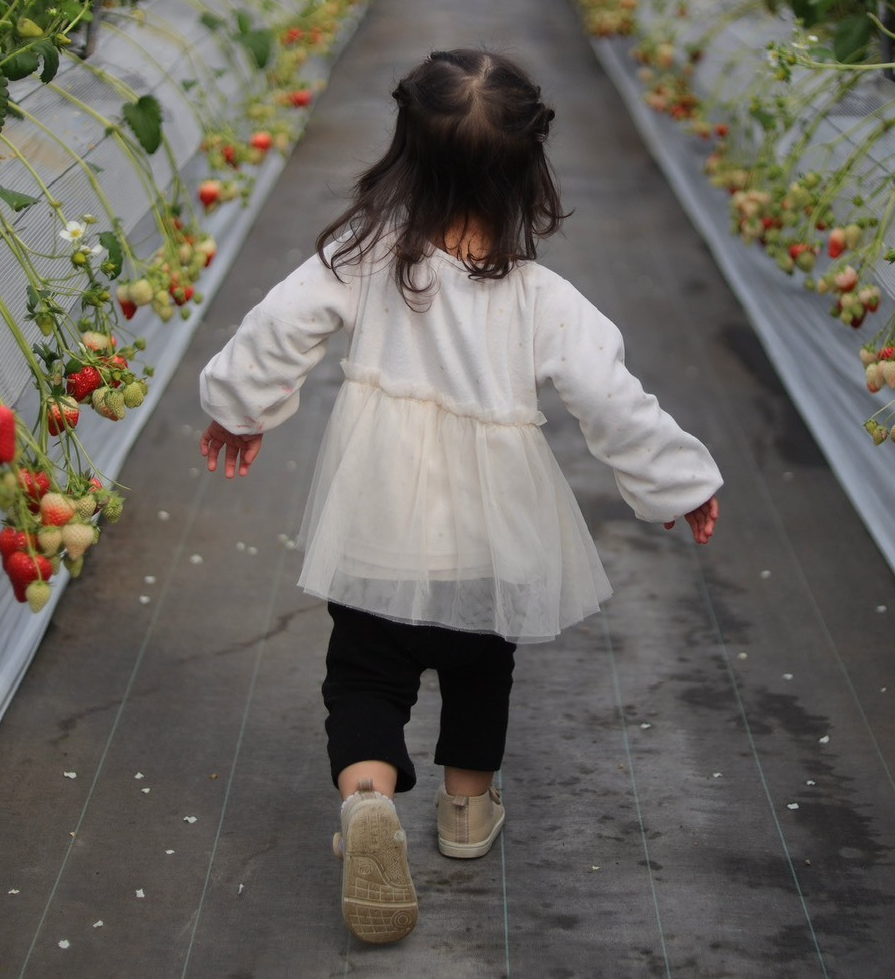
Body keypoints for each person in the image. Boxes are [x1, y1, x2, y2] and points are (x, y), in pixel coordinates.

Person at [197, 48, 721, 945]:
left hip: (375, 521)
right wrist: (675, 481)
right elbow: (610, 400)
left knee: (364, 671)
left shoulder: (358, 259)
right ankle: (466, 813)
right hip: (490, 531)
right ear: (527, 171)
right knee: (482, 669)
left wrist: (239, 410)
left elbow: (275, 330)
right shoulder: (543, 299)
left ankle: (368, 797)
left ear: (405, 154)